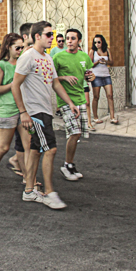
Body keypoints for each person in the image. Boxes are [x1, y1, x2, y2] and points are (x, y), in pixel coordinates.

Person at [12, 21, 79, 209]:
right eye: (49, 35)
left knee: (34, 151)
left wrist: (70, 103)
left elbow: (56, 83)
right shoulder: (28, 57)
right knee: (50, 149)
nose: (52, 38)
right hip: (35, 113)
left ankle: (29, 190)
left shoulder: (47, 58)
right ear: (37, 37)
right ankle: (49, 193)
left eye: (52, 34)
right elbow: (15, 85)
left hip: (45, 111)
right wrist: (23, 112)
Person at [0, 33, 29, 191]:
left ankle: (28, 177)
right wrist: (13, 84)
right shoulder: (1, 65)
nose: (20, 50)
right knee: (3, 147)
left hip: (22, 109)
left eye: (22, 48)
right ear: (8, 47)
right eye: (17, 48)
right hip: (7, 110)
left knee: (27, 146)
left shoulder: (22, 63)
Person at [53, 28, 95, 181]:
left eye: (73, 38)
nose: (69, 41)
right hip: (65, 100)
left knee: (77, 135)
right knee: (75, 132)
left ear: (79, 41)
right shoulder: (58, 57)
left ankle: (70, 164)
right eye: (68, 38)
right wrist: (64, 77)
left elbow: (89, 74)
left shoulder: (84, 56)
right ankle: (66, 165)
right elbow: (53, 78)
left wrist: (91, 77)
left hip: (80, 99)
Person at [8, 22, 34, 177]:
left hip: (27, 105)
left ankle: (18, 162)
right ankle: (27, 176)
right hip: (18, 107)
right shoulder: (22, 56)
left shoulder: (30, 54)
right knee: (23, 144)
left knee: (26, 142)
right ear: (26, 37)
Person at [89, 35, 118, 124]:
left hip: (106, 75)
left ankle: (112, 117)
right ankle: (95, 117)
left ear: (102, 42)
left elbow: (112, 62)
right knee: (96, 97)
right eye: (95, 42)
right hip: (96, 76)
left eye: (99, 42)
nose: (97, 44)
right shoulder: (92, 51)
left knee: (110, 95)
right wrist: (98, 62)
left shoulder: (107, 50)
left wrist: (106, 61)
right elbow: (89, 64)